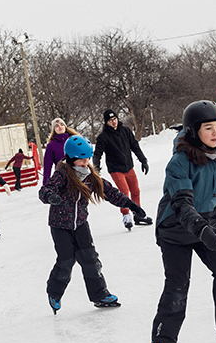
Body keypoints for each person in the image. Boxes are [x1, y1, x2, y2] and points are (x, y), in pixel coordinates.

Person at [150, 101, 216, 343]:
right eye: (208, 127)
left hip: (206, 224)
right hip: (175, 229)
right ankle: (162, 341)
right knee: (177, 285)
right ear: (194, 131)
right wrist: (202, 229)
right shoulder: (180, 162)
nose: (215, 133)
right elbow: (182, 205)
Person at [39, 134, 149, 315]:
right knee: (66, 261)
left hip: (81, 224)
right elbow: (45, 190)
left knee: (90, 259)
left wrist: (131, 205)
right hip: (60, 226)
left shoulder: (90, 176)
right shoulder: (62, 174)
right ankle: (54, 292)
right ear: (71, 159)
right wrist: (51, 196)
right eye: (82, 160)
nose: (86, 163)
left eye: (87, 159)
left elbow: (111, 192)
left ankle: (100, 295)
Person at [93, 109, 152, 230]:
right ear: (106, 122)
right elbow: (97, 154)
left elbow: (134, 146)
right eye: (110, 120)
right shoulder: (103, 137)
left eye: (114, 119)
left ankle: (138, 214)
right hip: (116, 169)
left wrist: (143, 160)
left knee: (135, 191)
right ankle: (126, 216)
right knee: (124, 192)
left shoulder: (126, 131)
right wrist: (96, 168)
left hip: (128, 167)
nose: (113, 122)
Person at [42, 117, 78, 186]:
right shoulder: (51, 145)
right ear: (54, 130)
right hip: (62, 177)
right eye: (57, 126)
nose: (60, 127)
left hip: (77, 174)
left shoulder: (75, 140)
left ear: (65, 126)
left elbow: (85, 156)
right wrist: (45, 185)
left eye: (62, 124)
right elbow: (47, 166)